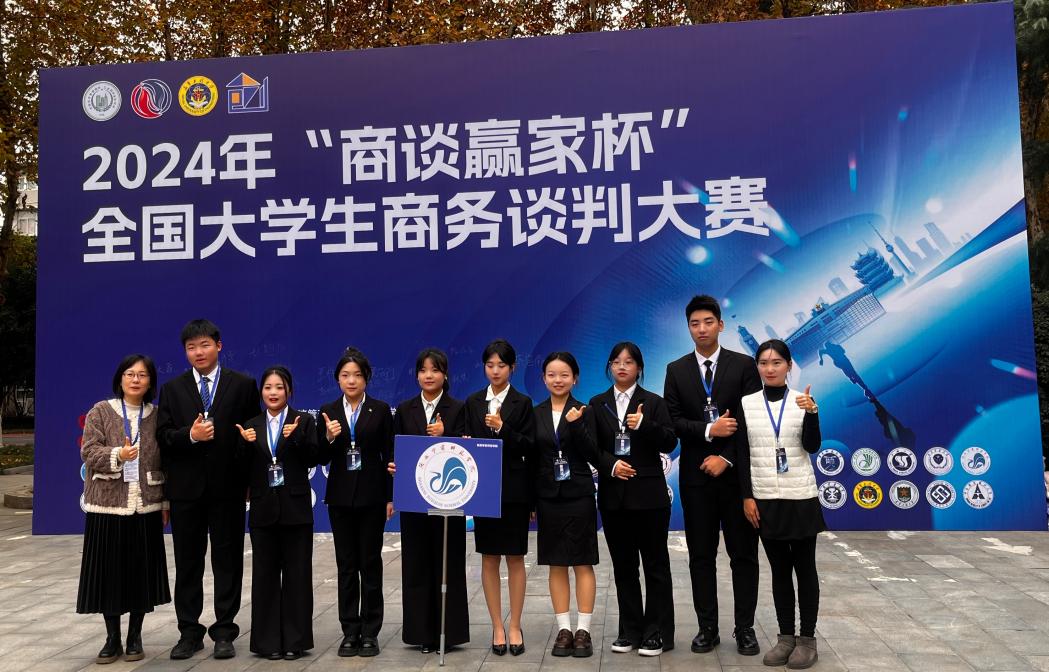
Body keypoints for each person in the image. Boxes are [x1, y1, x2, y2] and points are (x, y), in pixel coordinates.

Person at [663, 295, 762, 655]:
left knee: (743, 556)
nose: (701, 329)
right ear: (688, 328)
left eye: (708, 322)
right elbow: (673, 422)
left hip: (736, 480)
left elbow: (752, 423)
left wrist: (726, 458)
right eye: (694, 323)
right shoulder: (676, 370)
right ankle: (707, 628)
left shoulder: (743, 366)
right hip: (696, 480)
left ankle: (745, 628)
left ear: (720, 325)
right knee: (701, 556)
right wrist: (709, 431)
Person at [157, 319, 260, 660]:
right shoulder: (172, 389)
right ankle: (189, 632)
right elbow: (163, 437)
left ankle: (225, 631)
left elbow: (252, 434)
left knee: (227, 561)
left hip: (228, 489)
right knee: (188, 563)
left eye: (204, 345)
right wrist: (190, 435)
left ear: (219, 345)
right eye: (191, 347)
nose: (198, 352)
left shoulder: (242, 385)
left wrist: (249, 480)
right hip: (186, 491)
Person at [585, 342, 677, 656]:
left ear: (639, 368)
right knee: (624, 568)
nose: (622, 367)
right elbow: (591, 448)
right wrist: (610, 465)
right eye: (616, 362)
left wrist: (645, 426)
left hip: (650, 497)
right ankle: (630, 630)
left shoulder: (653, 402)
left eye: (628, 362)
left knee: (655, 566)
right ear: (609, 367)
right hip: (614, 498)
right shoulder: (597, 404)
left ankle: (657, 632)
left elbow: (670, 441)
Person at [77, 354, 170, 664]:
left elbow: (167, 460)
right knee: (109, 574)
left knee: (141, 574)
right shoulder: (101, 411)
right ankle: (112, 637)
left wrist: (165, 502)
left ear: (150, 382)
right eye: (130, 374)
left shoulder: (158, 415)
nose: (135, 379)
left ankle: (135, 637)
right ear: (120, 378)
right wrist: (118, 454)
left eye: (142, 375)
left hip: (146, 506)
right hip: (107, 505)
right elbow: (89, 451)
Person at [738, 339, 824, 669]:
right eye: (763, 363)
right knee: (779, 571)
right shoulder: (747, 403)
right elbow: (742, 453)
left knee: (805, 569)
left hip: (799, 496)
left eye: (776, 363)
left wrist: (812, 413)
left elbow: (812, 446)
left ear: (789, 366)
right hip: (765, 498)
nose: (770, 369)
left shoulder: (803, 401)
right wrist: (747, 496)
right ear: (757, 367)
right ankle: (786, 637)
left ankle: (807, 640)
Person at [388, 348, 470, 653]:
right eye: (423, 370)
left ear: (445, 375)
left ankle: (448, 633)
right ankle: (422, 633)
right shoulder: (404, 409)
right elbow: (396, 450)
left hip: (449, 500)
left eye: (435, 370)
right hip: (414, 499)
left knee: (448, 563)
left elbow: (468, 453)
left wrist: (445, 435)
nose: (428, 375)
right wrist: (393, 467)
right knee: (417, 564)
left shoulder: (458, 408)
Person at [236, 366, 320, 661]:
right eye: (268, 387)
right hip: (263, 510)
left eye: (279, 387)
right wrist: (244, 446)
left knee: (298, 576)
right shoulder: (251, 425)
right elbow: (240, 469)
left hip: (296, 510)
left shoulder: (303, 420)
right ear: (261, 392)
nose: (273, 393)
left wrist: (296, 438)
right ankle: (267, 642)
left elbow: (314, 458)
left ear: (289, 391)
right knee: (265, 577)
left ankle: (296, 641)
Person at [318, 347, 395, 658]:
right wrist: (328, 437)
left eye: (357, 375)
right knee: (346, 566)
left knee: (370, 564)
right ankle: (350, 631)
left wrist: (390, 496)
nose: (351, 381)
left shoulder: (380, 409)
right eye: (345, 375)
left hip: (372, 497)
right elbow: (320, 456)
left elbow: (389, 456)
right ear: (337, 379)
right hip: (340, 498)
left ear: (367, 379)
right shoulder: (328, 411)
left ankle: (370, 632)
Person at [463, 339, 536, 656]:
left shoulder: (523, 402)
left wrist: (503, 427)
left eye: (501, 365)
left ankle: (515, 625)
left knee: (515, 557)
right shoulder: (473, 402)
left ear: (512, 368)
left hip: (515, 490)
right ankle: (497, 626)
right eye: (490, 365)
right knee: (489, 557)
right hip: (484, 489)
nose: (495, 371)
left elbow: (529, 446)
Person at [534, 352, 599, 658]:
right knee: (556, 563)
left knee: (582, 562)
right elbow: (532, 457)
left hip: (579, 495)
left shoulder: (585, 410)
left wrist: (576, 426)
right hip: (548, 497)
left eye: (564, 375)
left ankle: (583, 630)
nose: (557, 380)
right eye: (551, 375)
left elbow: (593, 453)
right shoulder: (535, 413)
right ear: (544, 378)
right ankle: (564, 629)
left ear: (575, 379)